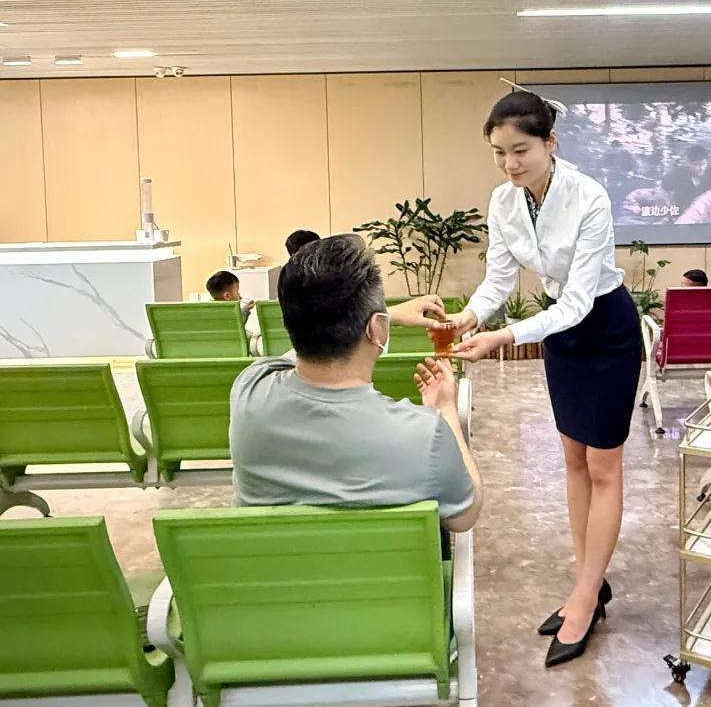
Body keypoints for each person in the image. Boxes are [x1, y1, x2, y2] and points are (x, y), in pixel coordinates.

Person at [439, 89, 641, 668]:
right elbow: (499, 278)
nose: (510, 164)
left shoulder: (588, 196)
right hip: (562, 335)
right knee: (573, 460)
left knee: (603, 466)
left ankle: (586, 597)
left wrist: (505, 337)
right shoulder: (503, 200)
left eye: (521, 150)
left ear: (550, 142)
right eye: (499, 153)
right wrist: (470, 316)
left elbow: (578, 300)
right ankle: (589, 584)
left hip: (604, 328)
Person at [229, 234, 483, 536]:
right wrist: (446, 411)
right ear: (377, 328)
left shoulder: (250, 390)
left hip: (274, 566)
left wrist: (384, 317)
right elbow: (464, 516)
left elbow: (298, 350)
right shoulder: (425, 435)